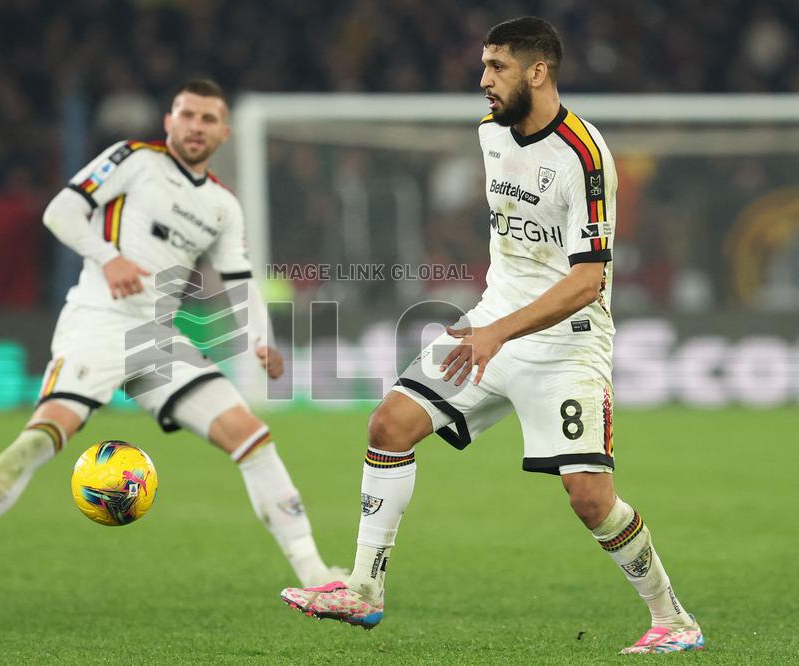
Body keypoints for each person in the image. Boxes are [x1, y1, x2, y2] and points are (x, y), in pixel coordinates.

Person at [280, 18, 704, 655]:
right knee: (389, 426)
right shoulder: (490, 135)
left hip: (567, 341)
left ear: (538, 72)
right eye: (484, 67)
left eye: (497, 68)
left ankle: (674, 619)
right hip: (491, 324)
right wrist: (488, 322)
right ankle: (363, 590)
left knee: (590, 498)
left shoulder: (586, 159)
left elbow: (589, 279)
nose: (483, 81)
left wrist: (498, 332)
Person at [0, 79, 340, 594]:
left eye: (207, 119)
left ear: (224, 132)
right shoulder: (133, 160)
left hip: (156, 337)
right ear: (169, 121)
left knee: (252, 437)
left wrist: (261, 339)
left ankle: (315, 573)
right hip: (99, 320)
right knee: (45, 435)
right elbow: (60, 211)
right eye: (187, 114)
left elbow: (240, 278)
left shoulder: (224, 205)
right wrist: (108, 258)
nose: (195, 126)